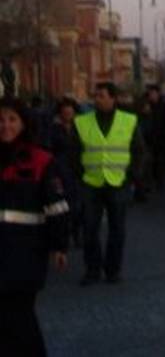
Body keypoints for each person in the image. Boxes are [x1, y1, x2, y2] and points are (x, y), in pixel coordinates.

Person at [0, 96, 69, 356]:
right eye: (0, 120)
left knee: (19, 317)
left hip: (25, 253)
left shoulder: (40, 160)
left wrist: (59, 245)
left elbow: (56, 207)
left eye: (11, 119)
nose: (5, 125)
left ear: (23, 123)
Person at [73, 81, 146, 285]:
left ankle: (113, 271)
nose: (97, 99)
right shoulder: (82, 122)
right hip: (91, 183)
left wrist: (132, 176)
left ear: (113, 99)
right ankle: (92, 270)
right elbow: (74, 152)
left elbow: (139, 151)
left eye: (102, 95)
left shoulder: (128, 121)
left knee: (117, 229)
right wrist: (80, 175)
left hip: (118, 182)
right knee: (89, 228)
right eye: (96, 95)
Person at [50, 96, 82, 244]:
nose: (68, 114)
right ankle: (64, 233)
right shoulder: (54, 129)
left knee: (78, 204)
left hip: (78, 169)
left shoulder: (80, 128)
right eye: (65, 112)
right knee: (63, 204)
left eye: (71, 111)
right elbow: (49, 151)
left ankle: (77, 233)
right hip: (60, 171)